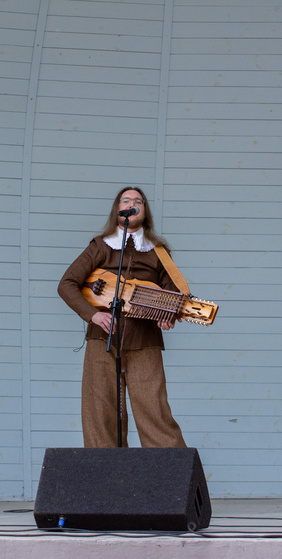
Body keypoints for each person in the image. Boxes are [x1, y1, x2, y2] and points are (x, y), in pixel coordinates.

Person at [58, 187, 187, 448]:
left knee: (155, 412)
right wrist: (92, 316)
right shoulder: (100, 246)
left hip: (145, 340)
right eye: (126, 200)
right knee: (100, 414)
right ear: (118, 209)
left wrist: (169, 313)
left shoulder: (158, 251)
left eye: (138, 201)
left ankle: (171, 481)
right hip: (102, 340)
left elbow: (174, 290)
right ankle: (105, 482)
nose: (132, 203)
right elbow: (67, 284)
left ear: (145, 210)